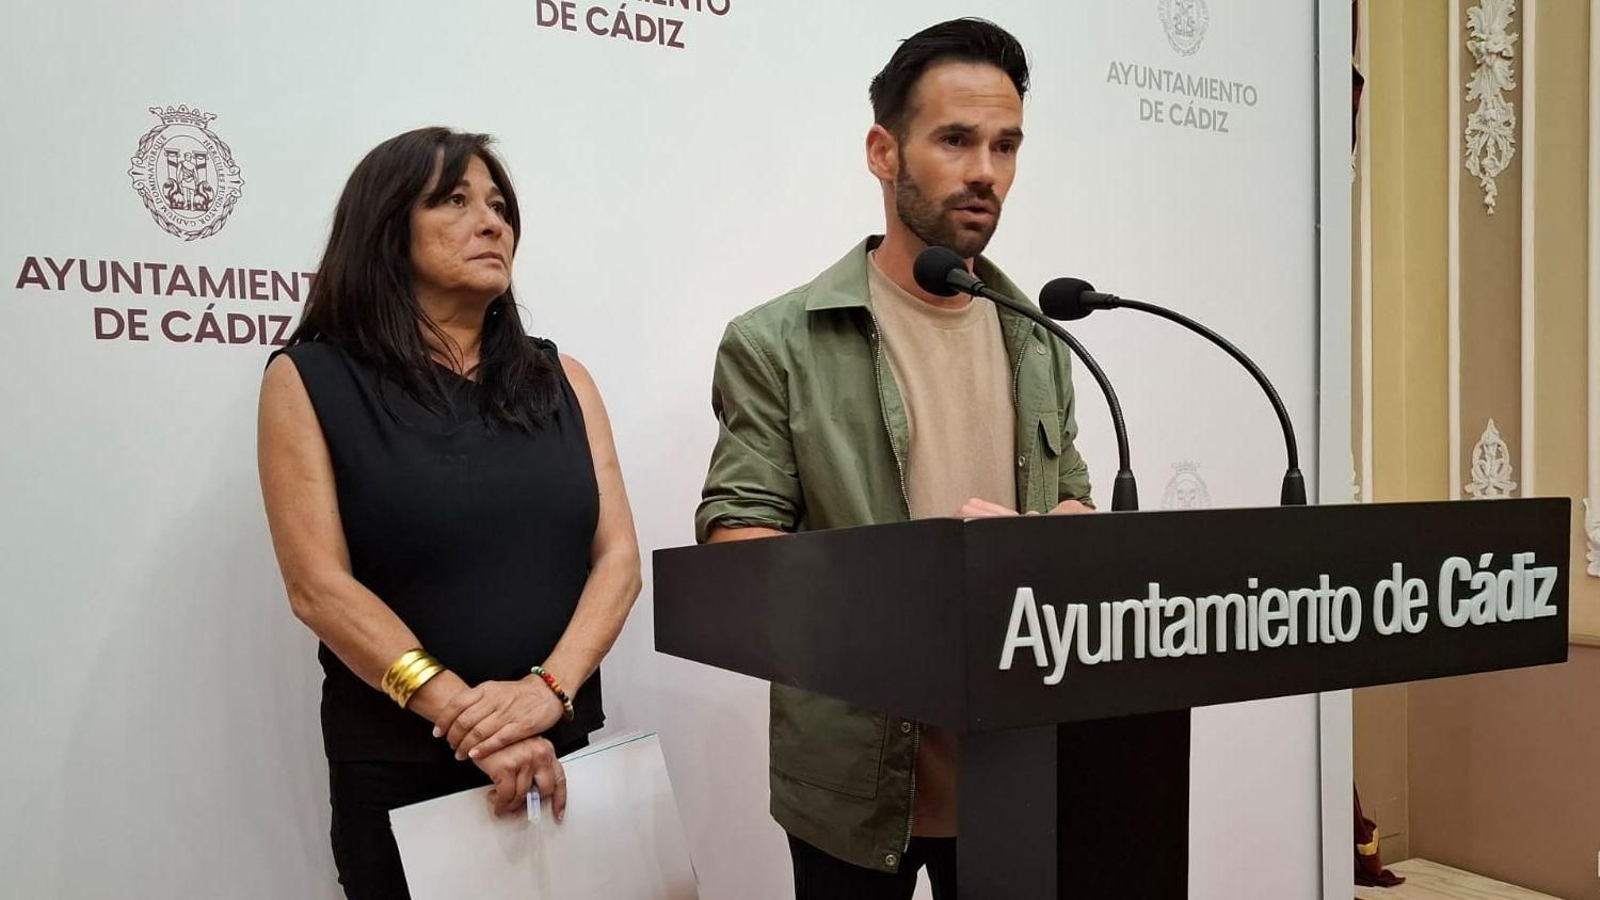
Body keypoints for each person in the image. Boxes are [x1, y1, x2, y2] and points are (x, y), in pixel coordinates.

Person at [694, 19, 1093, 899]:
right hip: (854, 779)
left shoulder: (1040, 340)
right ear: (883, 151)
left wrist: (1066, 534)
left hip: (1017, 765)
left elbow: (1070, 501)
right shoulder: (776, 342)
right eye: (955, 140)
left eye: (1006, 144)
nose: (985, 171)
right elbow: (737, 548)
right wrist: (934, 569)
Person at [257, 127, 641, 899]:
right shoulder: (311, 379)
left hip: (560, 755)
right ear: (385, 227)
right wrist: (469, 720)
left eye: (499, 205)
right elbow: (319, 588)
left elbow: (619, 561)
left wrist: (546, 694)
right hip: (401, 775)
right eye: (455, 200)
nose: (493, 221)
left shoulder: (563, 378)